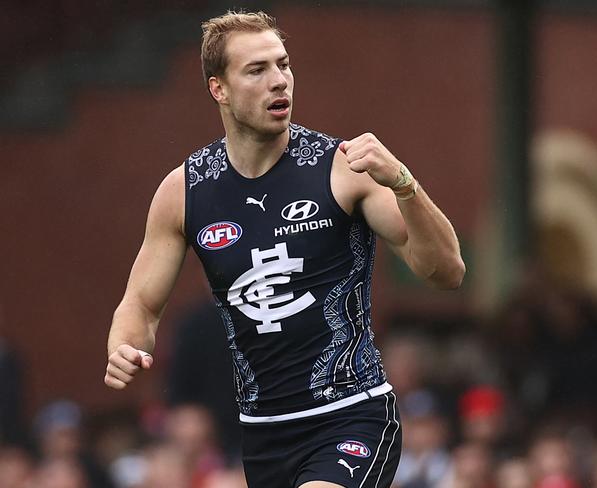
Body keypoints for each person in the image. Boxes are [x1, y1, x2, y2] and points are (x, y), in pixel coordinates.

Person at [104, 10, 465, 488]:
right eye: (257, 70)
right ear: (219, 89)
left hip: (351, 416)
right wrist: (123, 345)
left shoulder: (344, 170)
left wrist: (404, 183)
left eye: (284, 65)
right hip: (262, 435)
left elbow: (447, 271)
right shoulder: (185, 191)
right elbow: (141, 306)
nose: (279, 81)